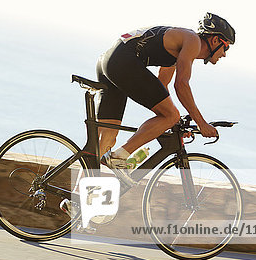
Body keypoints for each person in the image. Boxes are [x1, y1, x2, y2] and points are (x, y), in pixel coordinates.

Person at [97, 12, 236, 168]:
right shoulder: (193, 41)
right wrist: (201, 123)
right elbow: (181, 85)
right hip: (123, 62)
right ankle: (118, 157)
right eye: (226, 47)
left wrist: (175, 123)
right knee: (169, 115)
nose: (224, 54)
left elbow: (162, 87)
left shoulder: (181, 43)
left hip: (109, 61)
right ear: (215, 39)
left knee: (105, 139)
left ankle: (76, 189)